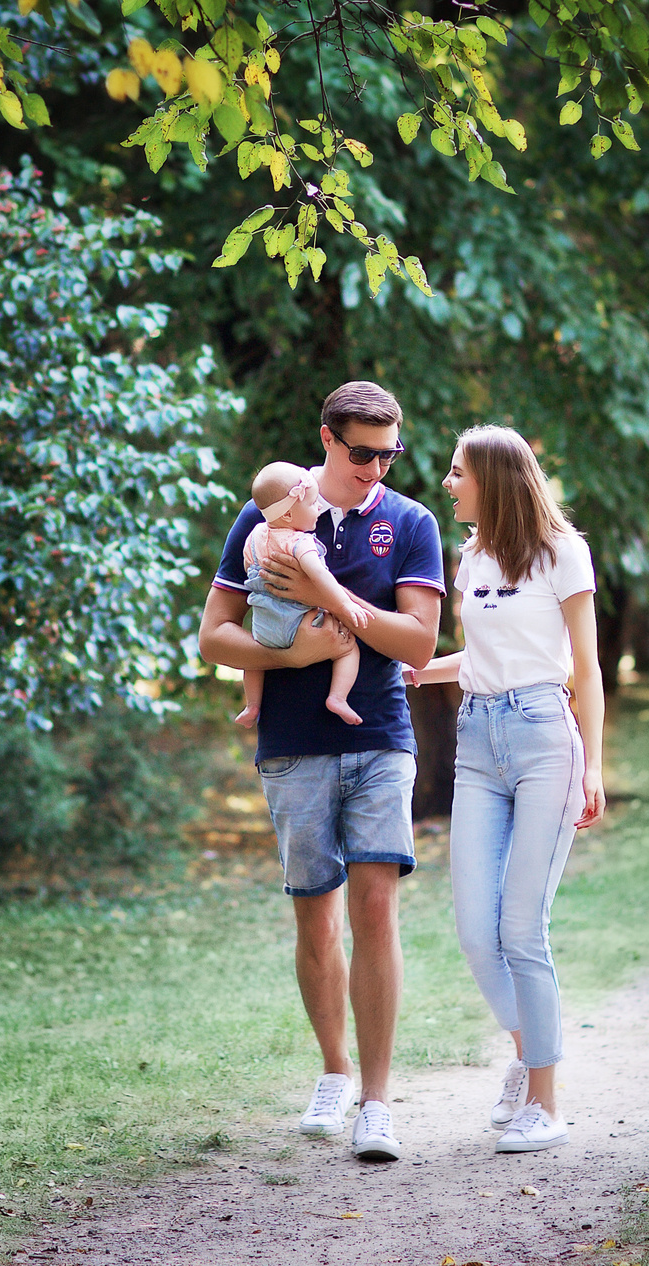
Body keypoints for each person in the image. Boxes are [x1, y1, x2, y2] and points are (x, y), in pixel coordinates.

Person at [199, 382, 443, 1163]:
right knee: (317, 913)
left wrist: (332, 600)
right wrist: (296, 651)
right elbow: (214, 638)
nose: (376, 467)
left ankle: (377, 1100)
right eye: (362, 450)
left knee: (375, 907)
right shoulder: (267, 516)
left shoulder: (411, 523)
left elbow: (418, 645)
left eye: (389, 452)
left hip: (379, 735)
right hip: (294, 742)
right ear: (328, 439)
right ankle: (334, 1071)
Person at [406, 425, 605, 1154]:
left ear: (492, 476)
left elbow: (585, 667)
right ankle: (529, 1050)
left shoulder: (563, 552)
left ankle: (546, 1102)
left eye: (458, 472)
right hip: (479, 739)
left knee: (522, 928)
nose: (450, 483)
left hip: (546, 736)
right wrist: (412, 670)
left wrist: (594, 765)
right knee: (473, 930)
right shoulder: (471, 558)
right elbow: (478, 658)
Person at [233, 461, 379, 729]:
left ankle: (252, 705)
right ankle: (337, 697)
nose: (318, 509)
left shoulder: (255, 535)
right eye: (312, 504)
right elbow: (320, 577)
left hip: (264, 627)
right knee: (348, 649)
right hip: (298, 622)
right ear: (288, 516)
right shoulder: (300, 542)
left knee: (253, 660)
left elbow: (246, 567)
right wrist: (345, 605)